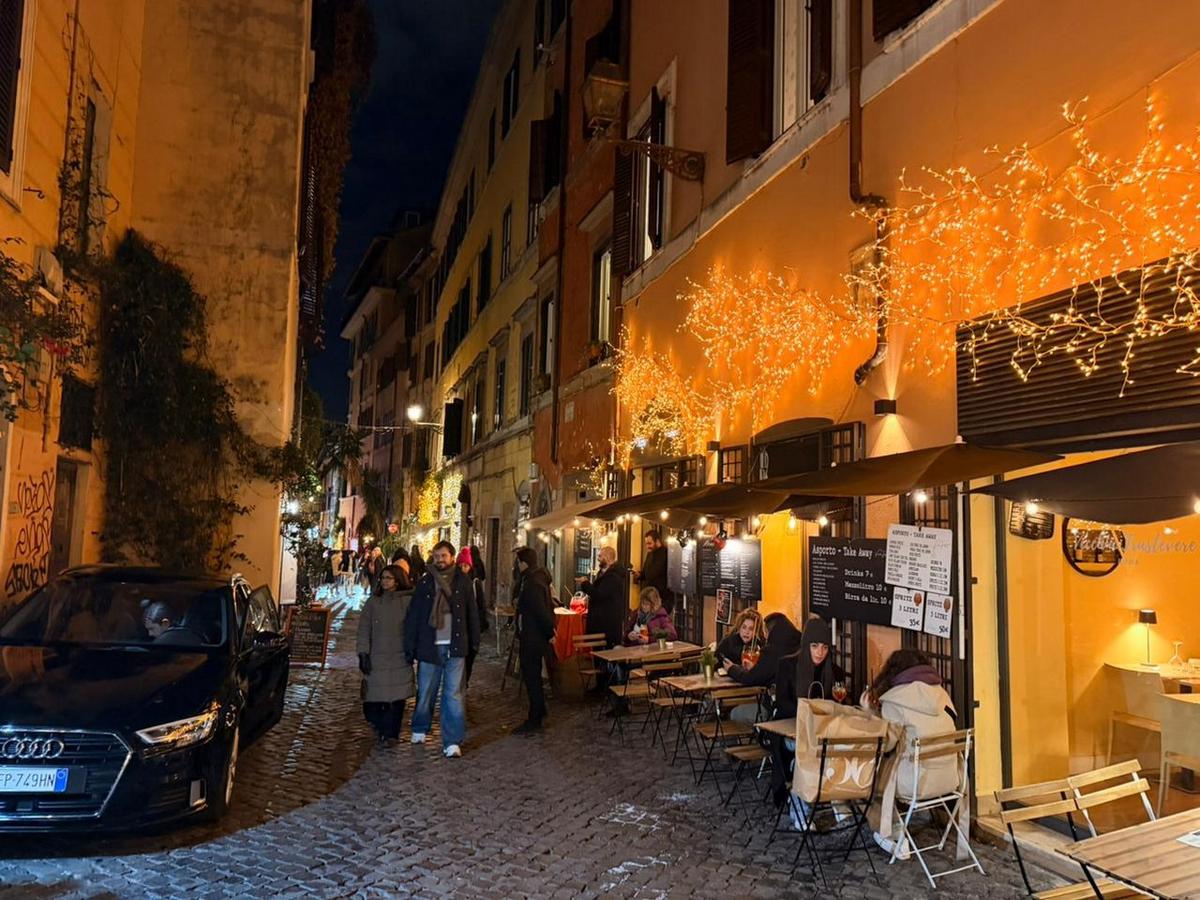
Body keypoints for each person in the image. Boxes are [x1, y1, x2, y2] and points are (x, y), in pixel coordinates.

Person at [862, 649, 957, 858]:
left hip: (915, 783)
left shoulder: (894, 700)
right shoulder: (943, 695)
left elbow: (884, 745)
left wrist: (870, 713)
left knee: (868, 781)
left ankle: (890, 832)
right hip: (949, 779)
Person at [404, 540, 480, 758]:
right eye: (436, 556)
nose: (439, 560)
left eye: (443, 556)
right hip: (429, 645)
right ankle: (420, 727)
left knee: (454, 695)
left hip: (455, 646)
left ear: (452, 557)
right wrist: (410, 644)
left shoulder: (463, 582)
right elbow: (415, 615)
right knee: (426, 690)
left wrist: (474, 643)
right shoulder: (426, 582)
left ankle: (452, 741)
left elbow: (471, 613)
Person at [356, 565, 415, 745]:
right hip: (377, 656)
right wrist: (363, 652)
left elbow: (414, 627)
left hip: (399, 657)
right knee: (373, 700)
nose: (384, 581)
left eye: (388, 578)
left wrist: (413, 649)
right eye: (383, 578)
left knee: (396, 700)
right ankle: (380, 726)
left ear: (397, 580)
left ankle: (391, 734)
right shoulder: (373, 602)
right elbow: (364, 629)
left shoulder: (408, 601)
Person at [513, 547, 556, 734]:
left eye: (518, 562)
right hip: (533, 634)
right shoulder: (536, 578)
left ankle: (535, 717)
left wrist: (549, 632)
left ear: (524, 563)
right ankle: (539, 709)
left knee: (532, 676)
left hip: (533, 636)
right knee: (533, 675)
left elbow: (539, 610)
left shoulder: (532, 582)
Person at [722, 612, 802, 688]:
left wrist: (731, 669)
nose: (765, 636)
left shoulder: (770, 651)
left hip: (779, 700)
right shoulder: (801, 645)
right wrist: (755, 668)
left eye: (766, 632)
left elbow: (750, 678)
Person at [574, 545, 627, 650]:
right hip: (600, 621)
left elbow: (599, 594)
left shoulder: (613, 577)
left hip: (607, 624)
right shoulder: (603, 574)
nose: (598, 559)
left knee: (604, 654)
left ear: (607, 557)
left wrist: (585, 583)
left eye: (600, 556)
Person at [457, 547, 486, 687]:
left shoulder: (475, 583)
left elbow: (481, 605)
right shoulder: (453, 582)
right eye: (461, 565)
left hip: (470, 625)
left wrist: (480, 624)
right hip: (458, 626)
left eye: (466, 565)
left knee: (469, 657)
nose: (463, 568)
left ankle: (465, 680)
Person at [636, 531, 674, 614]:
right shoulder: (650, 554)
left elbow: (657, 572)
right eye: (646, 544)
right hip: (649, 596)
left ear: (657, 541)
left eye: (649, 543)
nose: (647, 546)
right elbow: (647, 572)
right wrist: (641, 575)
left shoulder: (666, 554)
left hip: (662, 597)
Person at [468, 544, 489, 632]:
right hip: (478, 585)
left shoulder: (468, 562)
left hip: (470, 586)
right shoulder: (479, 562)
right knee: (479, 605)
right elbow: (483, 576)